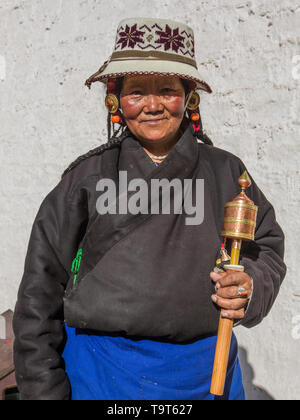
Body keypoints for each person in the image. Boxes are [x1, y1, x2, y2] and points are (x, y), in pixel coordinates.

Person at [13, 17, 286, 400]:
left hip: (205, 373)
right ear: (115, 99)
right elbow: (38, 294)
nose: (153, 105)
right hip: (103, 375)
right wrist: (43, 389)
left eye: (167, 91)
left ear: (189, 97)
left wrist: (250, 285)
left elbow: (265, 248)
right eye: (137, 91)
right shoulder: (86, 179)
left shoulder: (226, 173)